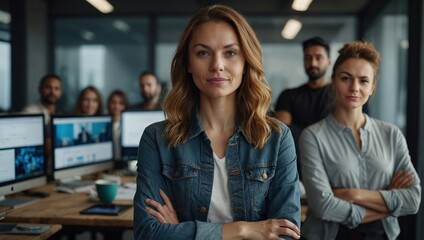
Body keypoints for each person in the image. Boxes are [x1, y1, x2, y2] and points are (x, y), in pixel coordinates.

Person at [133, 4, 301, 240]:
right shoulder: (157, 139)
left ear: (246, 62)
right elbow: (148, 233)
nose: (217, 65)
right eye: (203, 53)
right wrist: (244, 230)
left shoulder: (277, 137)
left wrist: (181, 230)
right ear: (188, 64)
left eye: (230, 52)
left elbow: (286, 234)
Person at [299, 40, 421, 240]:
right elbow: (323, 206)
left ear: (372, 87)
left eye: (364, 81)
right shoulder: (313, 136)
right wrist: (388, 204)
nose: (354, 87)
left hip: (383, 235)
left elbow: (413, 200)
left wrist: (352, 195)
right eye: (346, 78)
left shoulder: (391, 134)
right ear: (334, 81)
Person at [274, 36, 333, 180]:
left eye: (318, 58)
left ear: (329, 62)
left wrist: (299, 130)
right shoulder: (289, 96)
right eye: (308, 58)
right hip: (296, 172)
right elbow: (282, 136)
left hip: (332, 171)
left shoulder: (341, 96)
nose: (313, 63)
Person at [107, 90, 129, 160]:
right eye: (113, 102)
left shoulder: (129, 124)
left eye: (121, 103)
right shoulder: (105, 124)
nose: (117, 106)